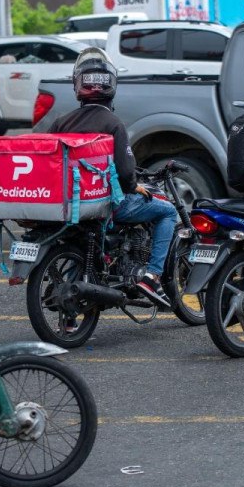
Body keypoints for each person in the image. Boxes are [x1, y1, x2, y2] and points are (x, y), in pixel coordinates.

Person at [45, 48, 177, 308]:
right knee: (168, 212)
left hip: (70, 203)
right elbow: (126, 174)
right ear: (111, 86)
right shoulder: (113, 123)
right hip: (105, 204)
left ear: (77, 85)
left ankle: (71, 321)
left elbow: (49, 160)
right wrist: (134, 186)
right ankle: (152, 277)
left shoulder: (61, 122)